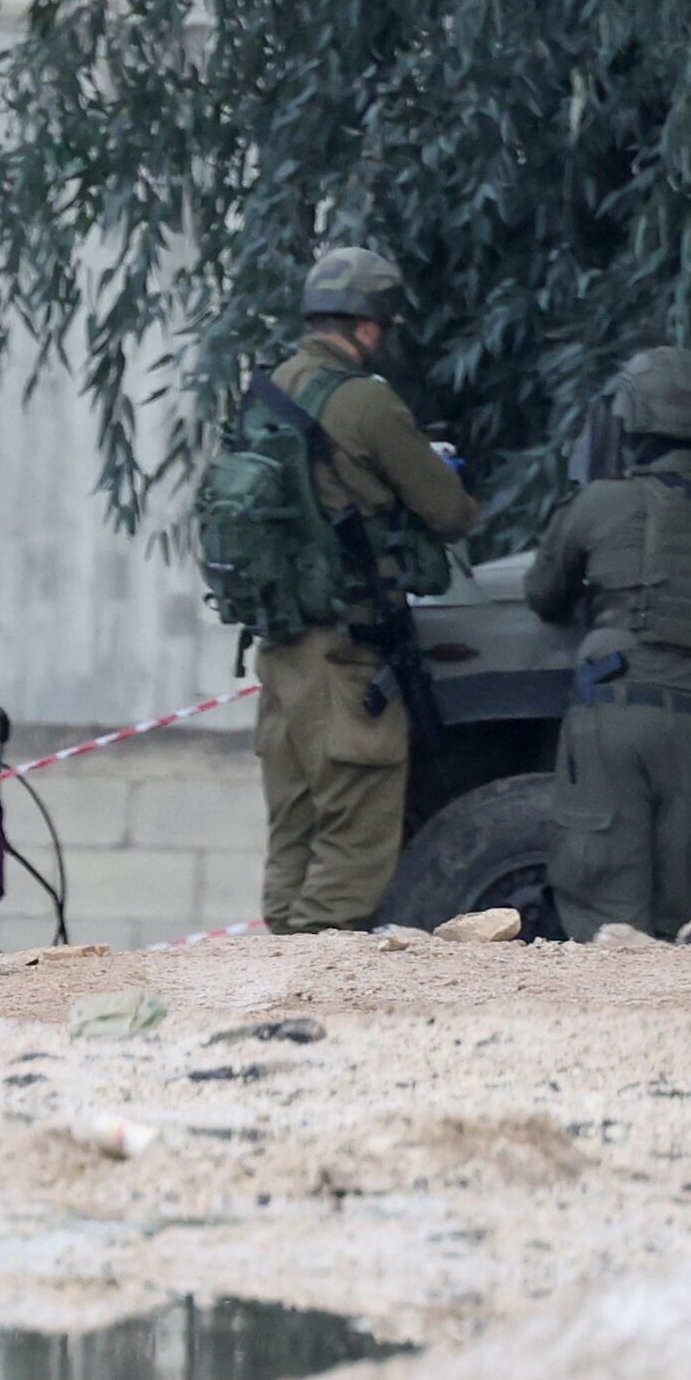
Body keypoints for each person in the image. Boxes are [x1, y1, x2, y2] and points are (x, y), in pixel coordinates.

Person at [248, 247, 480, 933]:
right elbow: (447, 513)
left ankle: (278, 969)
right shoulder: (363, 401)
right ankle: (321, 985)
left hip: (279, 648)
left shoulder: (263, 394)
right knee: (355, 827)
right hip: (345, 651)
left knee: (293, 827)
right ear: (372, 326)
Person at [524, 347, 691, 940]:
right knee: (678, 900)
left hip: (615, 710)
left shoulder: (601, 503)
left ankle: (610, 1023)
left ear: (631, 420)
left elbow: (544, 593)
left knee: (602, 892)